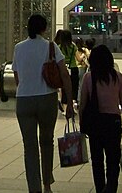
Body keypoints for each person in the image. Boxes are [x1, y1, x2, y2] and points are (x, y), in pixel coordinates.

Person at [13, 15, 74, 193]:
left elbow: (17, 77)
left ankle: (34, 189)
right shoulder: (50, 46)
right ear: (44, 28)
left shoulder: (18, 48)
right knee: (46, 142)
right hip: (46, 99)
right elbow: (64, 75)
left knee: (29, 147)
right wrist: (69, 102)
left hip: (24, 101)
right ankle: (47, 185)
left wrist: (26, 91)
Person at [79, 45, 122, 193]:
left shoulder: (88, 78)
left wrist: (81, 123)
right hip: (113, 123)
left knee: (97, 161)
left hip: (95, 123)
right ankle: (111, 189)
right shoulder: (118, 77)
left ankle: (100, 189)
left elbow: (83, 103)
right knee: (113, 160)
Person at [57, 30, 79, 109]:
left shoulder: (59, 47)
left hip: (63, 69)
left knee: (64, 87)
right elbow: (78, 58)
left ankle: (65, 107)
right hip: (73, 68)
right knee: (74, 86)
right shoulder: (73, 46)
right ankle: (73, 104)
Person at [75, 37, 90, 102]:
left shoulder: (75, 50)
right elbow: (89, 56)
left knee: (78, 85)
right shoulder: (85, 50)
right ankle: (82, 99)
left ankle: (78, 99)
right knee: (82, 85)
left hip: (76, 68)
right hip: (83, 68)